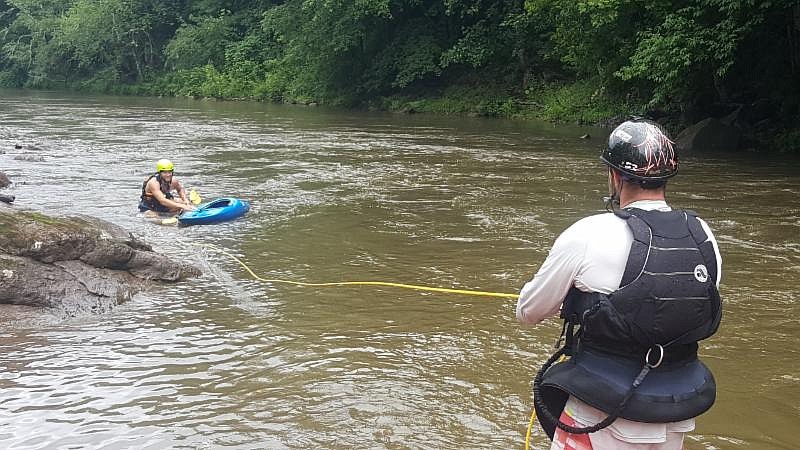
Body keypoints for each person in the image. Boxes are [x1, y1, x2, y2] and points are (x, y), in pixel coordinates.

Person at [517, 119, 722, 450]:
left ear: (614, 176)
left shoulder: (588, 232)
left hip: (599, 408)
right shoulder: (703, 235)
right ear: (666, 176)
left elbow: (527, 312)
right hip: (675, 413)